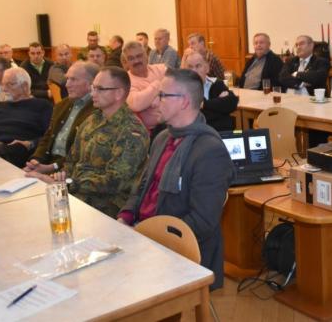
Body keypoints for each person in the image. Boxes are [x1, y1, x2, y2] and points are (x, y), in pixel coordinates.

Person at [117, 68, 234, 291]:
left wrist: (147, 234)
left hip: (178, 249)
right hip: (144, 235)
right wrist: (125, 217)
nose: (154, 103)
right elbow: (143, 187)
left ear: (184, 102)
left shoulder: (209, 151)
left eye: (162, 95)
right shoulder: (163, 137)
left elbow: (202, 221)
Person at [27, 67, 149, 218]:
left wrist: (67, 183)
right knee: (32, 206)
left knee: (44, 215)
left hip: (106, 206)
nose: (92, 94)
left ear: (119, 93)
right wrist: (59, 178)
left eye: (100, 89)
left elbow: (114, 182)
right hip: (75, 194)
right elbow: (72, 160)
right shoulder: (92, 119)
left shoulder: (131, 131)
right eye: (93, 88)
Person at [24, 61, 98, 174]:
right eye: (67, 79)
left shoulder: (97, 110)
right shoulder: (61, 105)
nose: (67, 84)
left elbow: (83, 152)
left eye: (73, 79)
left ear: (91, 83)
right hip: (48, 163)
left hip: (72, 170)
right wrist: (36, 160)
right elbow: (48, 136)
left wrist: (53, 167)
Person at [183, 50, 238, 132]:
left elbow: (232, 103)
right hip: (198, 136)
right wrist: (219, 106)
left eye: (198, 66)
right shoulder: (182, 90)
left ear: (207, 68)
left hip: (222, 135)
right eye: (190, 67)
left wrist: (204, 104)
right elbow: (199, 118)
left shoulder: (217, 83)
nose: (194, 71)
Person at [123, 41, 168, 133]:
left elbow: (178, 89)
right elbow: (136, 104)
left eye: (139, 56)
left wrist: (154, 97)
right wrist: (158, 85)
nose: (136, 61)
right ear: (126, 62)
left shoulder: (160, 69)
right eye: (131, 58)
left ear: (146, 56)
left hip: (173, 122)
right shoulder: (126, 81)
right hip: (151, 131)